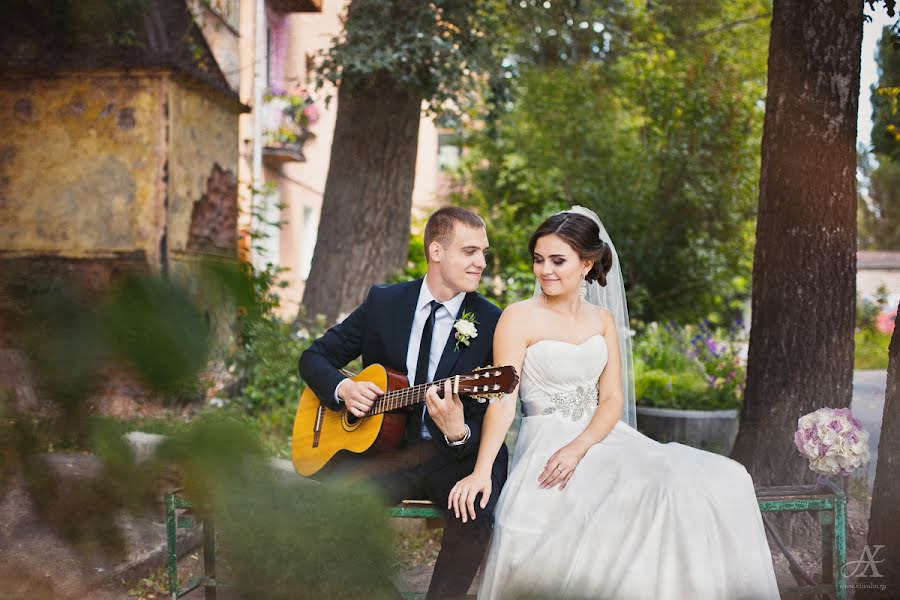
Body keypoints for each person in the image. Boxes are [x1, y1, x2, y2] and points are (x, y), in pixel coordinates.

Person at [448, 206, 780, 599]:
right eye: (539, 260)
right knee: (644, 496)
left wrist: (580, 447)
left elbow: (611, 398)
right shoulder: (518, 318)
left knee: (718, 479)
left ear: (587, 263)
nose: (545, 271)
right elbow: (503, 403)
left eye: (558, 260)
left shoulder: (602, 320)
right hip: (546, 445)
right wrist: (482, 471)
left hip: (601, 438)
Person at [298, 206, 508, 600]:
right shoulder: (385, 303)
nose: (481, 262)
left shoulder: (493, 321)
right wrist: (343, 391)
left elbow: (497, 410)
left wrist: (459, 432)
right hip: (388, 451)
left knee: (474, 517)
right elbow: (314, 357)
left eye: (483, 252)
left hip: (456, 454)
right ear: (436, 251)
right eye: (470, 251)